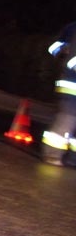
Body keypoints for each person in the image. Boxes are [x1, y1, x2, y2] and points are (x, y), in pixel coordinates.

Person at [42, 20, 76, 166]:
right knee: (67, 118)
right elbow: (71, 60)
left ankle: (72, 159)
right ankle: (52, 155)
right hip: (72, 85)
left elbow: (54, 48)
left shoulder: (71, 27)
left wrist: (62, 52)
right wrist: (65, 54)